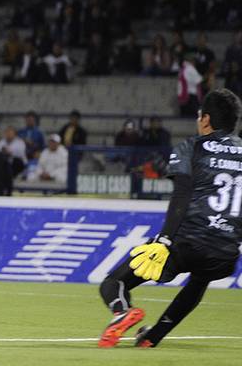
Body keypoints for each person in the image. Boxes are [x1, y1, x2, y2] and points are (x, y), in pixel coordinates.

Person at [98, 88, 242, 348]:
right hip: (225, 252)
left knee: (114, 282)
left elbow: (182, 196)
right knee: (199, 281)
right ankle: (153, 337)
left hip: (185, 241)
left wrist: (163, 240)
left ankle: (121, 312)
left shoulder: (192, 148)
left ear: (206, 119)